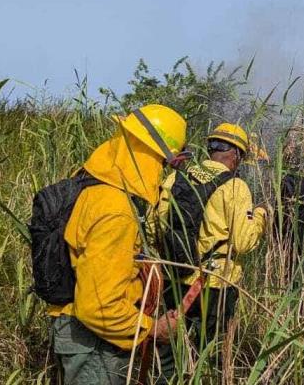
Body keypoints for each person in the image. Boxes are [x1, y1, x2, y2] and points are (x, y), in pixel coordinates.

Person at [48, 104, 186, 385]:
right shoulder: (116, 209)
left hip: (83, 334)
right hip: (95, 341)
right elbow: (99, 306)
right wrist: (151, 329)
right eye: (170, 164)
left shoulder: (94, 187)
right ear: (156, 158)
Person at [152, 123, 266, 380]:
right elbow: (244, 242)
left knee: (170, 350)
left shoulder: (175, 178)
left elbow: (155, 226)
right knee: (211, 354)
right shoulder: (235, 187)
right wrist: (260, 216)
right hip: (216, 286)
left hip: (174, 277)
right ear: (236, 154)